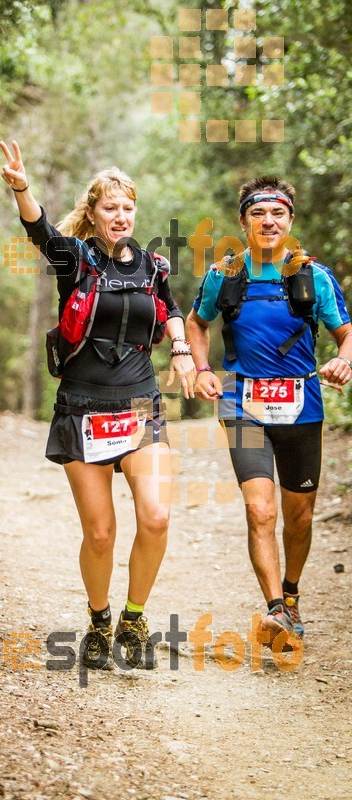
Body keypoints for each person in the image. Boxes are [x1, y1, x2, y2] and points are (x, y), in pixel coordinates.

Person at [0, 139, 196, 670]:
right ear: (93, 212)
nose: (120, 215)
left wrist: (181, 348)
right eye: (110, 207)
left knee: (155, 517)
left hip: (138, 405)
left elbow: (171, 307)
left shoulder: (153, 264)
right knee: (101, 532)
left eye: (128, 207)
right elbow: (40, 230)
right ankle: (99, 618)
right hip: (84, 406)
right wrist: (23, 189)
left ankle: (134, 617)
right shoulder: (77, 257)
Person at [186, 176, 351, 648]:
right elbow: (198, 323)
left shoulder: (312, 276)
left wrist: (344, 359)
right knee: (261, 509)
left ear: (290, 221)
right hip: (243, 406)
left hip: (303, 408)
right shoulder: (225, 274)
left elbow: (346, 333)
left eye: (277, 213)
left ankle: (293, 597)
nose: (268, 221)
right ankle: (275, 608)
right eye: (258, 214)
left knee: (299, 518)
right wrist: (201, 368)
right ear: (244, 222)